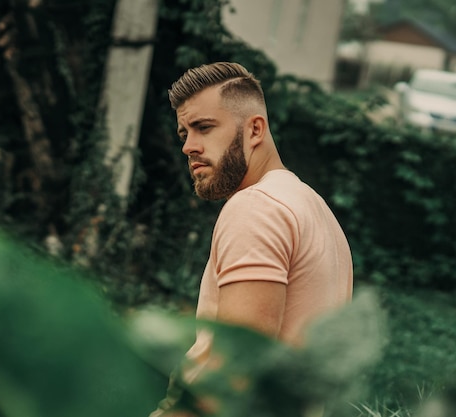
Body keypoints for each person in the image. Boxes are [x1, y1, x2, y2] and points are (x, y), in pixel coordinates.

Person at [149, 62, 353, 416]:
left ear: (255, 129)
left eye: (204, 128)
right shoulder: (314, 208)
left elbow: (236, 375)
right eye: (185, 134)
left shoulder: (255, 208)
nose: (189, 147)